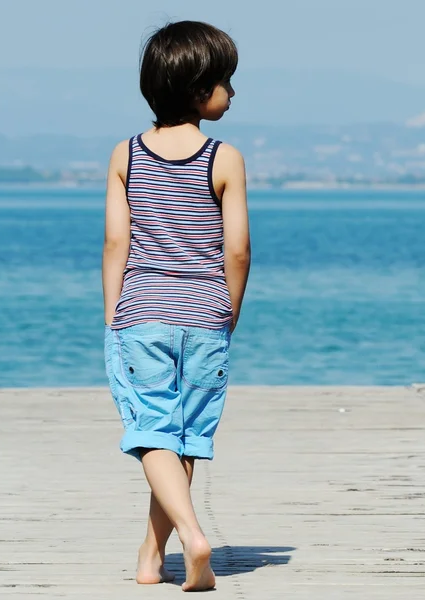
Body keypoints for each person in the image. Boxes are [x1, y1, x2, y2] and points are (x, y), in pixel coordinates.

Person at [102, 20, 250, 592]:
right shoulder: (224, 157)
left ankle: (186, 538)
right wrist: (228, 309)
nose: (232, 93)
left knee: (154, 433)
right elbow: (236, 249)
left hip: (142, 312)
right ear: (197, 90)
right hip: (206, 314)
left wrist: (114, 312)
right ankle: (150, 556)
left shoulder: (126, 154)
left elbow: (118, 241)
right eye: (225, 81)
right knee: (182, 437)